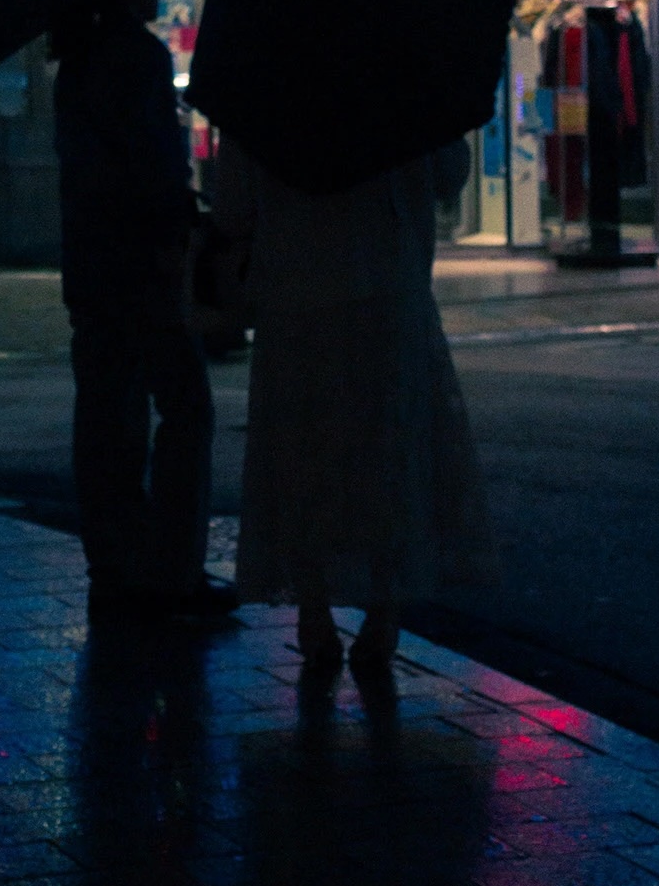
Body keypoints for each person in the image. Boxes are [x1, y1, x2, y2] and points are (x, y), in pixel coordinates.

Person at [211, 135, 495, 672]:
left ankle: (313, 610)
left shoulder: (269, 85)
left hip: (296, 292)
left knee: (305, 452)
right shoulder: (399, 76)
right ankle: (383, 612)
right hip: (390, 283)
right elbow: (448, 172)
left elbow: (233, 202)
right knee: (387, 453)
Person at [53, 0, 236, 618]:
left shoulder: (75, 62)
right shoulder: (138, 59)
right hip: (142, 266)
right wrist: (183, 219)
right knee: (187, 409)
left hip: (92, 269)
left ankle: (114, 565)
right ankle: (172, 570)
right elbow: (154, 170)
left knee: (106, 417)